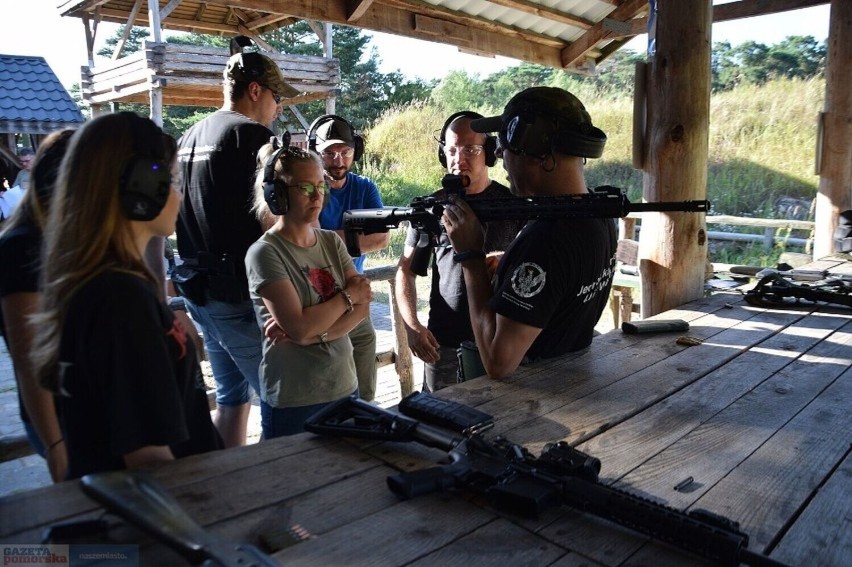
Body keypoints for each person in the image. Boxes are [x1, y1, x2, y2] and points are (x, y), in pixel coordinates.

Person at [31, 112, 223, 480]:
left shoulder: (109, 286)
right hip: (163, 522)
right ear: (141, 186)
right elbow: (150, 461)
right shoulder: (121, 300)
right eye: (172, 180)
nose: (178, 194)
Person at [442, 87, 617, 379]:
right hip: (572, 383)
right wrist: (512, 262)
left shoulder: (547, 239)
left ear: (536, 151)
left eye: (506, 142)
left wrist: (471, 256)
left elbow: (499, 363)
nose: (497, 152)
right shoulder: (598, 212)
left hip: (533, 404)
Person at [174, 51, 298, 447]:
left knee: (231, 397)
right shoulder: (253, 138)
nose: (279, 106)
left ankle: (230, 483)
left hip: (197, 290)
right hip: (240, 296)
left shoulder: (187, 138)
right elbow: (275, 220)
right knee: (285, 399)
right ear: (255, 89)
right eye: (277, 96)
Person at [245, 143, 372, 438]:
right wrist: (346, 298)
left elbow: (364, 306)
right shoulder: (264, 253)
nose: (317, 196)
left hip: (343, 384)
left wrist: (316, 332)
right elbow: (301, 327)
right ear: (276, 195)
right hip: (295, 398)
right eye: (304, 187)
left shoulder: (331, 242)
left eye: (320, 185)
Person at [395, 112, 521, 391]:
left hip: (500, 338)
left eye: (470, 149)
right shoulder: (431, 208)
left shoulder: (513, 205)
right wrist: (412, 326)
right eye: (451, 150)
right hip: (444, 343)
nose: (458, 158)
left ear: (488, 153)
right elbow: (406, 269)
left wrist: (506, 261)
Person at [0, 130, 74, 482]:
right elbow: (31, 359)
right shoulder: (22, 247)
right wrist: (56, 444)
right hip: (63, 420)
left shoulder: (69, 237)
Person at [311, 115, 388, 402]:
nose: (338, 160)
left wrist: (328, 238)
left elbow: (380, 239)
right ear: (316, 152)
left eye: (345, 152)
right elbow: (307, 241)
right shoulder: (311, 188)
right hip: (317, 298)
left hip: (355, 296)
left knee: (364, 374)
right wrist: (352, 239)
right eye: (329, 153)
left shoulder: (364, 187)